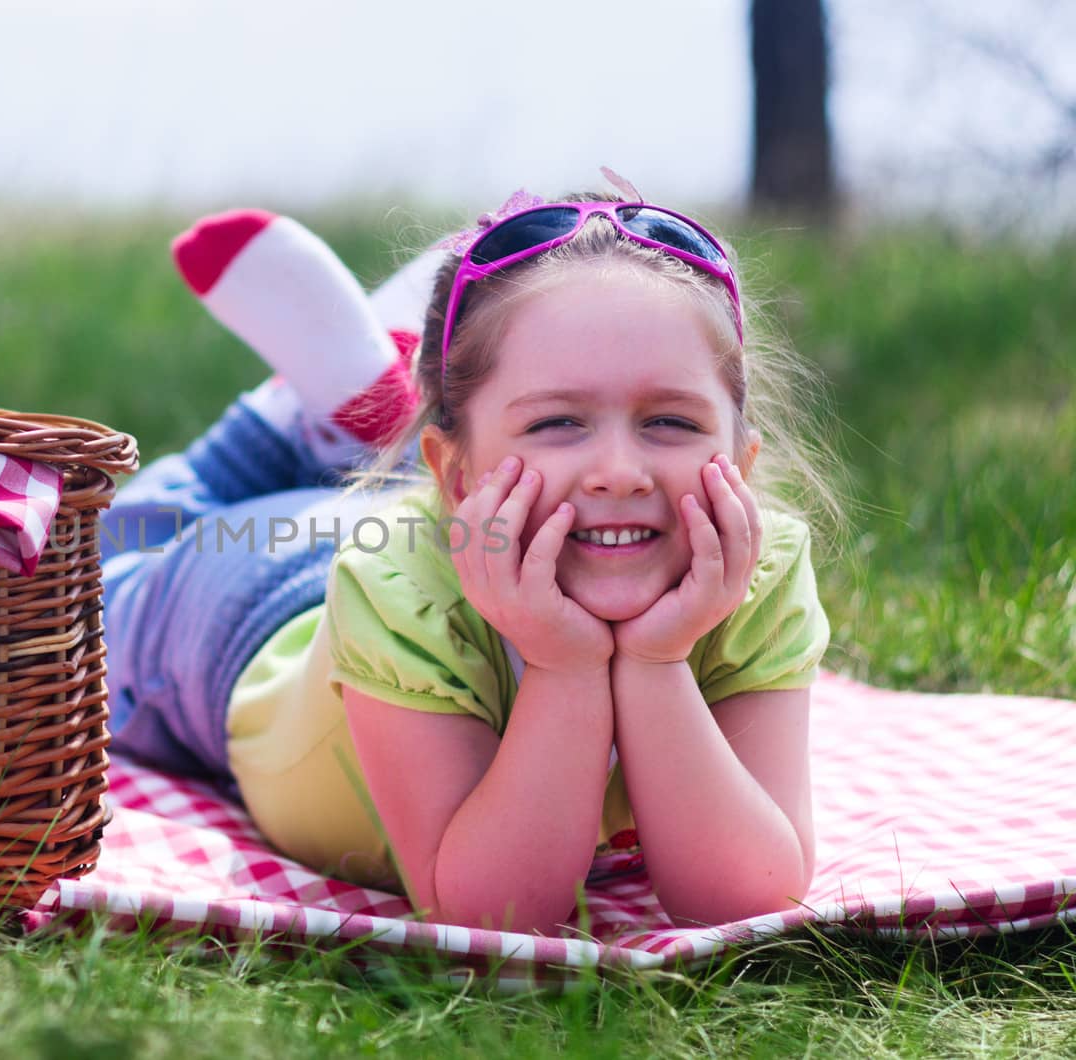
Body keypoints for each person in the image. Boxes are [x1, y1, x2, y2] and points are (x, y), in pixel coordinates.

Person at [97, 188, 835, 936]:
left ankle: (358, 411)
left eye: (670, 421)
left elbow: (750, 898)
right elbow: (492, 913)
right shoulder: (392, 587)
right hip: (244, 614)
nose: (621, 470)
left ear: (739, 464)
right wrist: (565, 668)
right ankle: (277, 429)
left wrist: (657, 660)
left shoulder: (757, 572)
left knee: (340, 497)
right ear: (455, 477)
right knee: (106, 564)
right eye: (557, 422)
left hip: (404, 520)